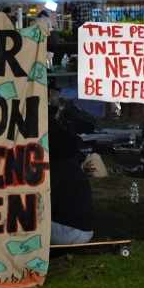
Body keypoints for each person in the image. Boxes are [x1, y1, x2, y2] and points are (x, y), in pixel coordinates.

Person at [48, 104, 95, 245]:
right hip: (81, 229)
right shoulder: (69, 165)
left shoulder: (57, 168)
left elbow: (47, 202)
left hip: (72, 231)